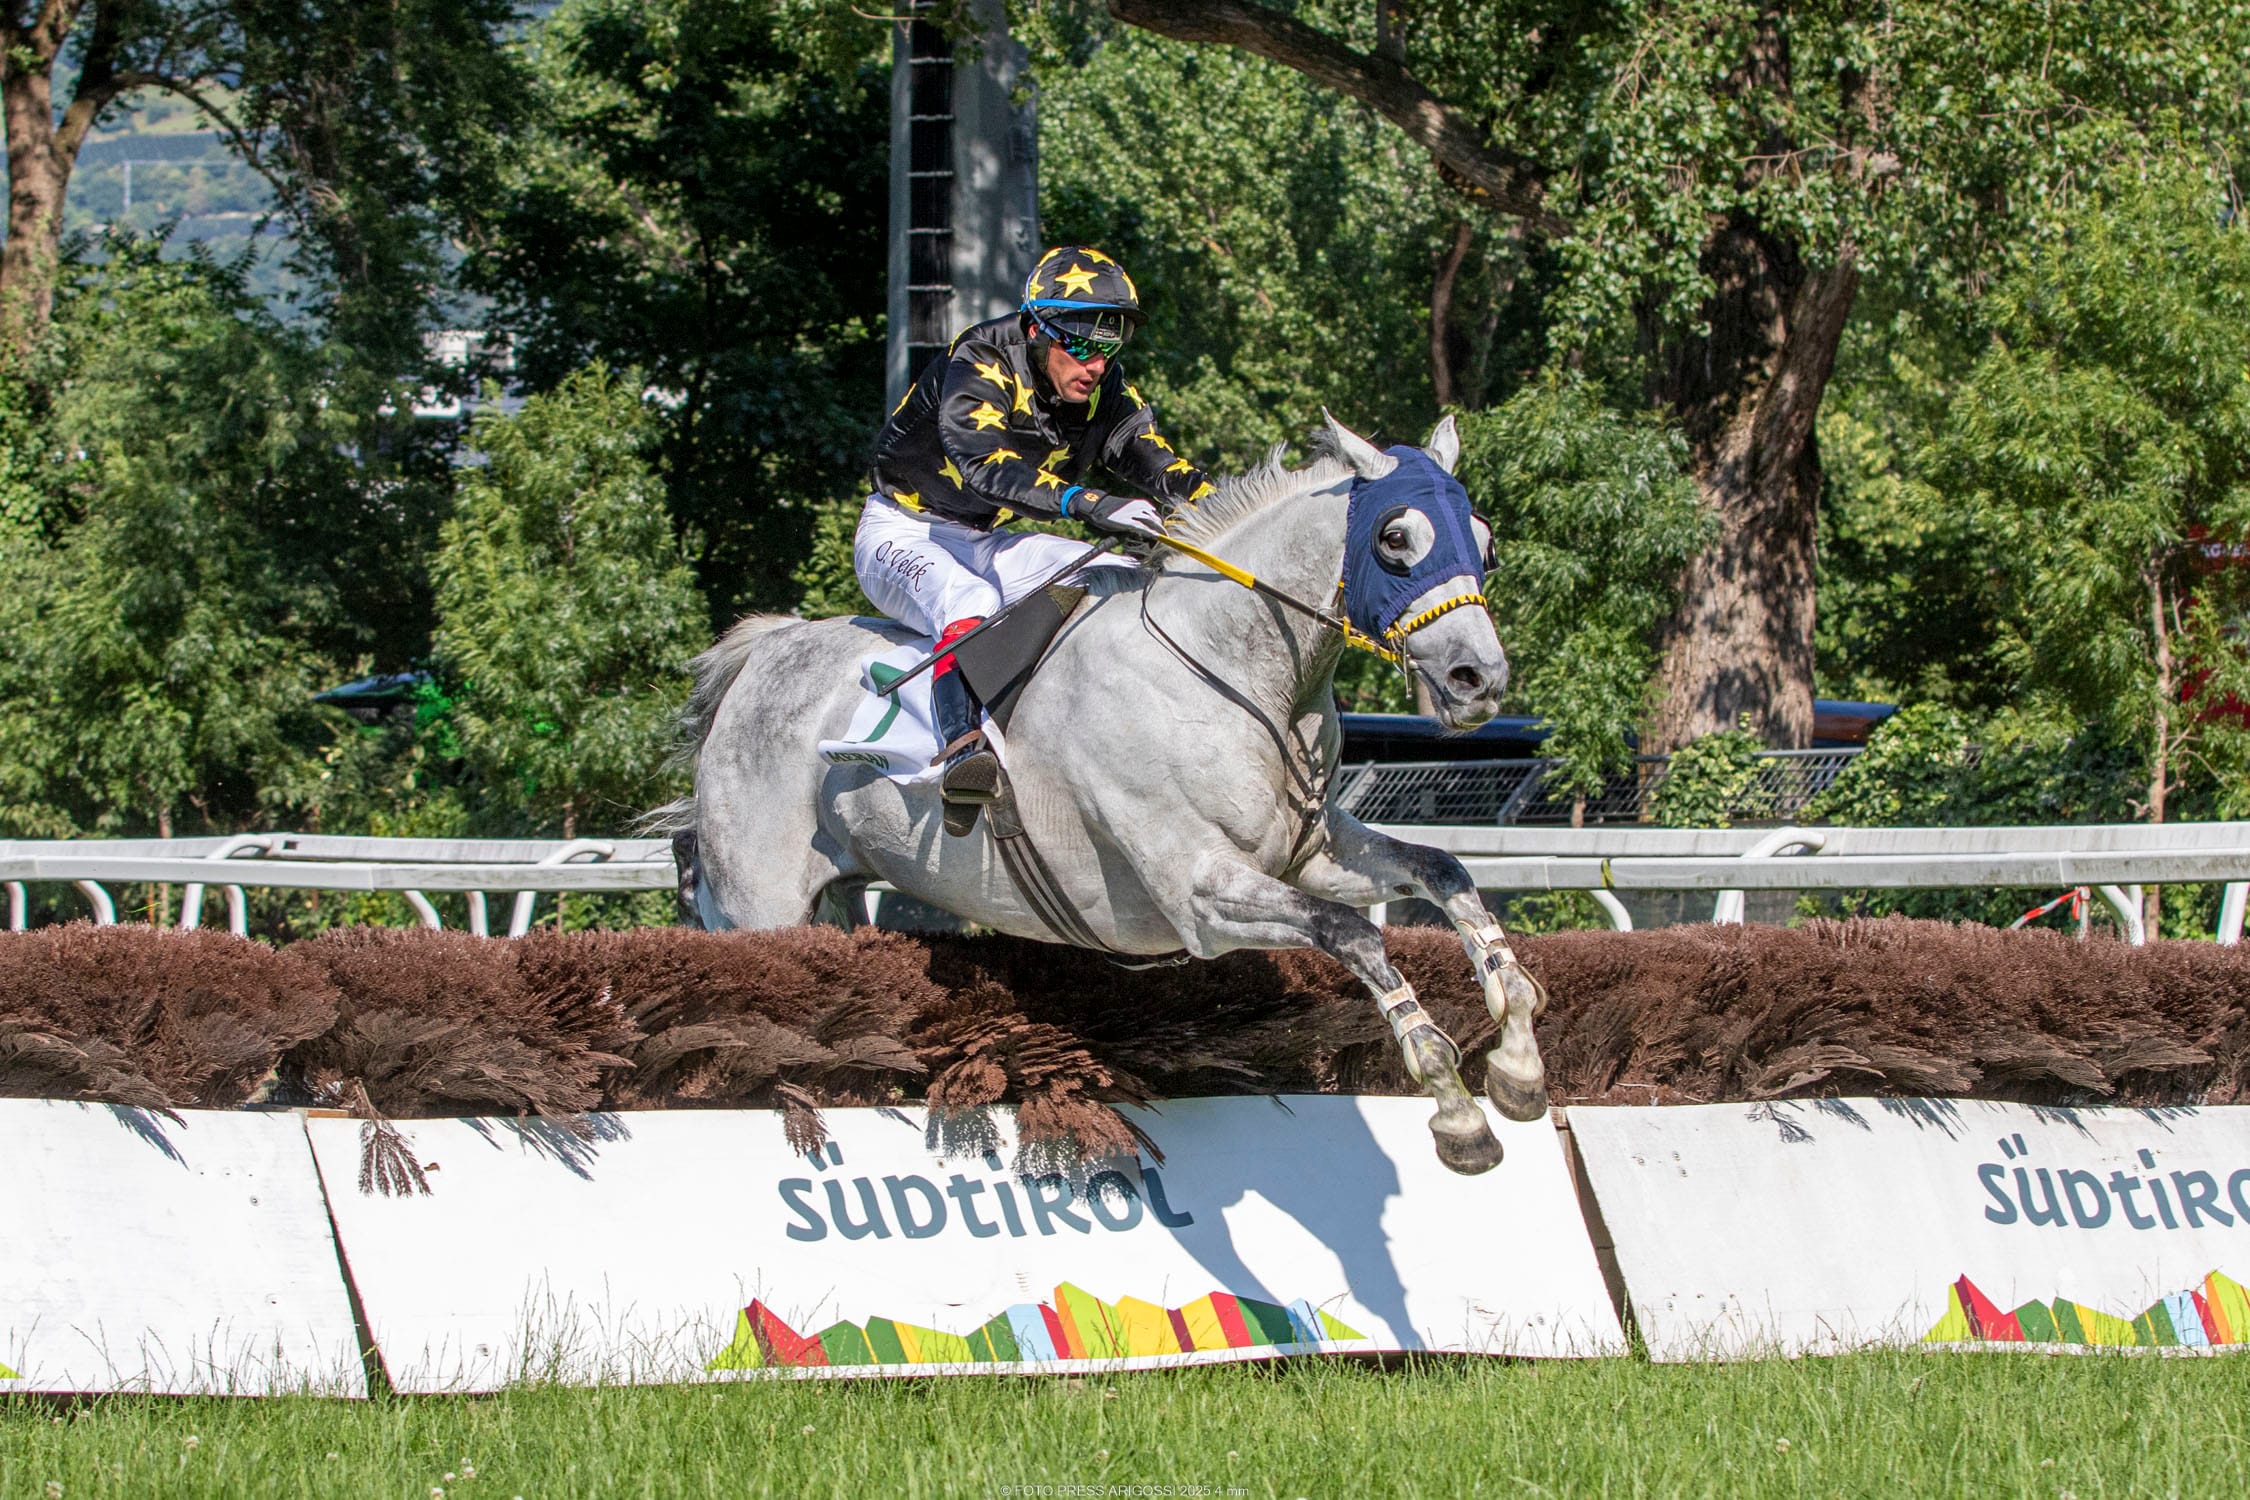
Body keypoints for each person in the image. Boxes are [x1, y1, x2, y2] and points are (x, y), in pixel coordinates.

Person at [857, 244, 1214, 831]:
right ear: (1036, 329)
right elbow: (984, 465)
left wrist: (1229, 508)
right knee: (970, 601)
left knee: (1114, 575)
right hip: (900, 531)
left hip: (982, 539)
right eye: (1078, 343)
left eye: (1108, 345)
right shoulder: (979, 357)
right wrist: (1090, 501)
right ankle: (961, 751)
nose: (1095, 364)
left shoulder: (1106, 385)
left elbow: (1158, 463)